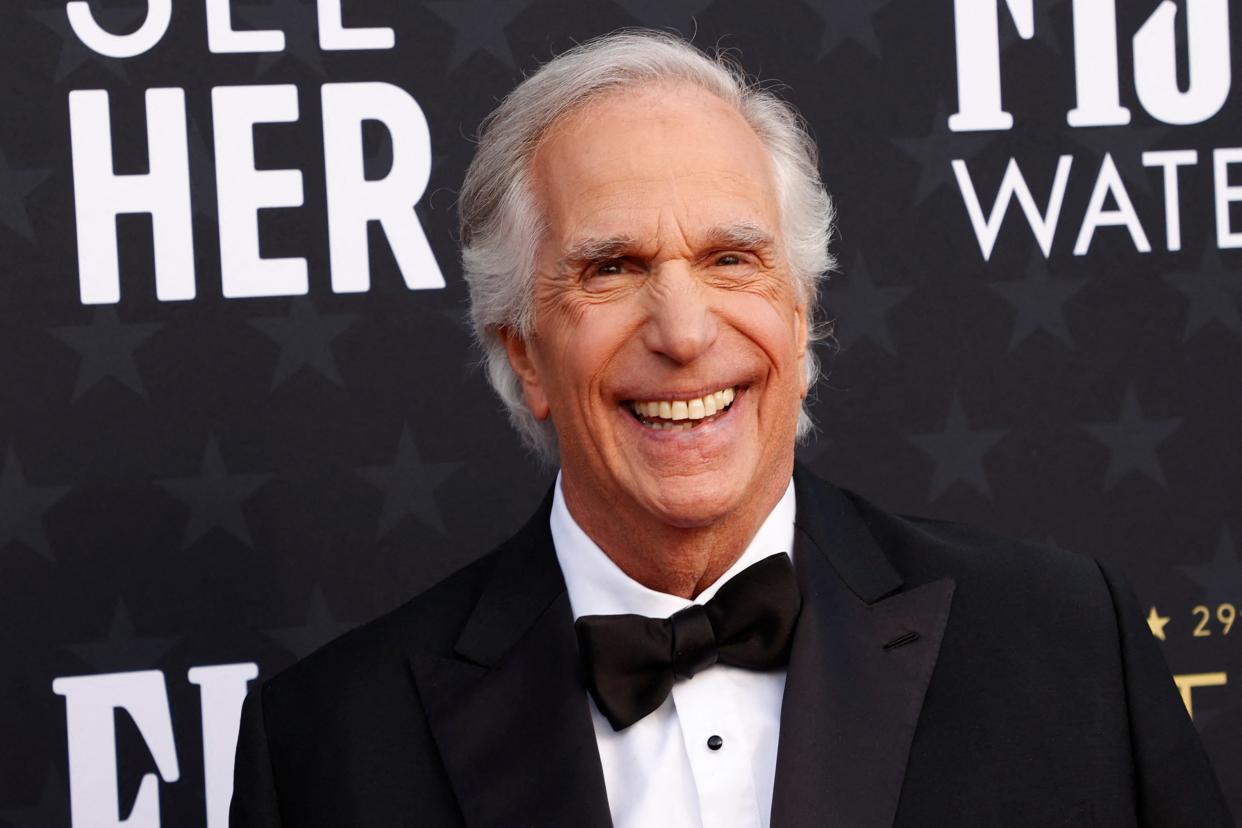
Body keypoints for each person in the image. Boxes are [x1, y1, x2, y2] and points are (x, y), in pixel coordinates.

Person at [229, 29, 1231, 828]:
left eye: (731, 260)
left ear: (800, 316)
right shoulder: (331, 747)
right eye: (611, 269)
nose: (683, 332)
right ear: (525, 354)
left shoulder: (1062, 644)